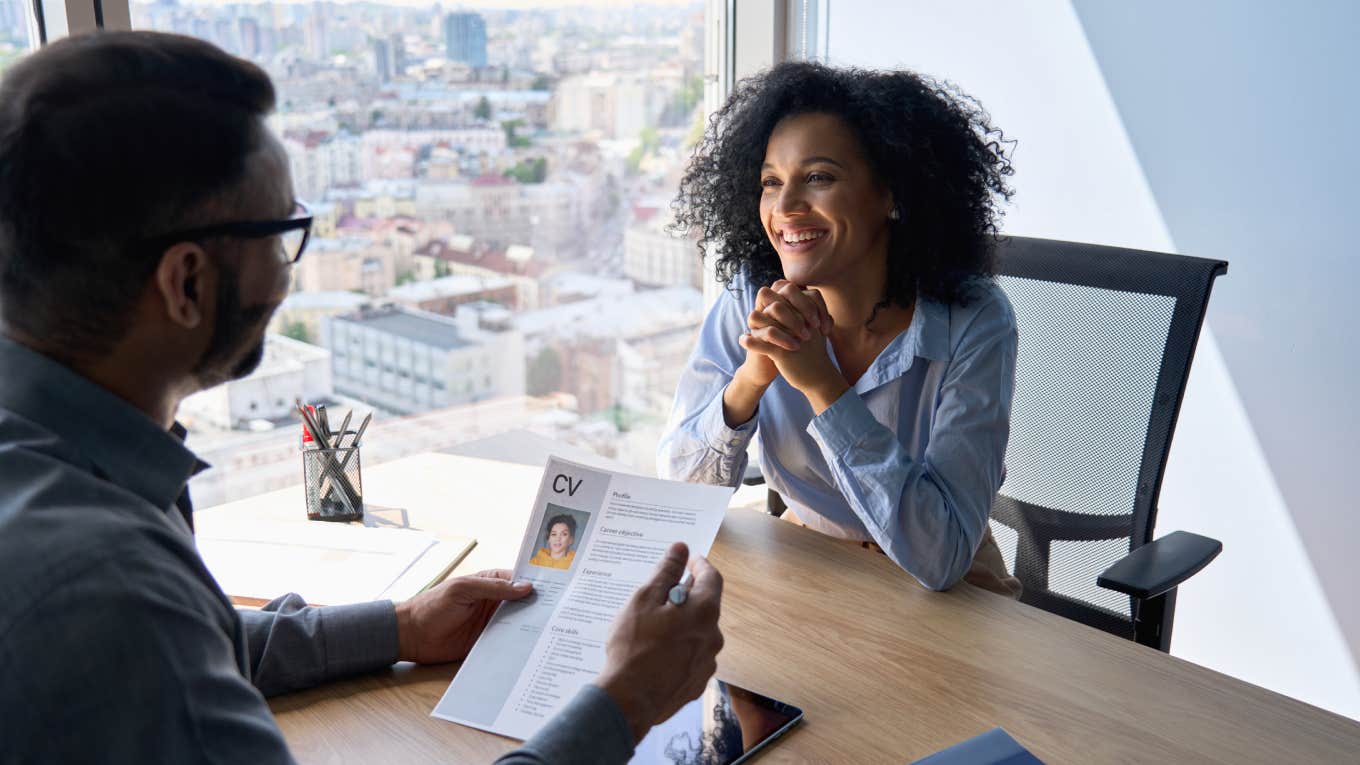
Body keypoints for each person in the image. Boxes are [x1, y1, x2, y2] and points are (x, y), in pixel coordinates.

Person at [0, 32, 723, 764]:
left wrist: (401, 627)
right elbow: (142, 638)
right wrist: (628, 697)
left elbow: (183, 651)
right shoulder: (102, 586)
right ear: (186, 283)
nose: (287, 277)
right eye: (283, 234)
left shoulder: (53, 467)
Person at [659, 61, 1021, 597]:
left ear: (891, 193)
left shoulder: (973, 320)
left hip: (950, 590)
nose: (784, 208)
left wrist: (822, 386)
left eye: (819, 178)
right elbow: (679, 493)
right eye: (770, 182)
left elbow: (942, 554)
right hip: (809, 563)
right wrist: (750, 381)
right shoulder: (751, 295)